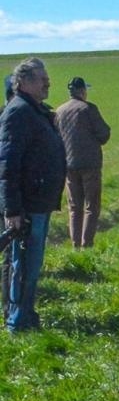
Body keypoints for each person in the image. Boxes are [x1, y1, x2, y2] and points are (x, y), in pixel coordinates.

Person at [0, 58, 67, 332]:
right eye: (42, 79)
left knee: (31, 265)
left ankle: (26, 314)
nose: (47, 83)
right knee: (24, 265)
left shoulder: (34, 111)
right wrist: (12, 210)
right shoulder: (18, 112)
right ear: (24, 82)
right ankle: (18, 322)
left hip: (38, 201)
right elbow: (8, 164)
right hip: (27, 204)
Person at [55, 75, 112, 248]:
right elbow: (104, 134)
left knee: (74, 207)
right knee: (91, 206)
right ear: (82, 91)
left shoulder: (59, 111)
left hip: (68, 164)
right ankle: (87, 244)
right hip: (90, 164)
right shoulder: (88, 109)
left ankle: (75, 245)